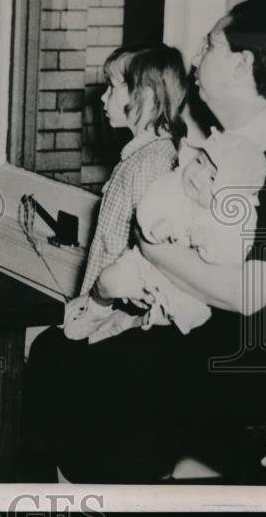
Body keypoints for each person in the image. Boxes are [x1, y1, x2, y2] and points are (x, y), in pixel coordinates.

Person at [22, 0, 266, 483]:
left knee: (99, 376)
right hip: (239, 331)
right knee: (56, 352)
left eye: (209, 45)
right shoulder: (237, 146)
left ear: (242, 63)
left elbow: (247, 293)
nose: (195, 58)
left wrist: (152, 250)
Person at [61, 44, 186, 342]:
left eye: (112, 87)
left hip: (118, 323)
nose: (103, 97)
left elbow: (149, 257)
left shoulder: (152, 162)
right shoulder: (137, 157)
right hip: (101, 312)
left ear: (145, 94)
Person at [93, 132, 266, 337]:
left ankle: (131, 323)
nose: (197, 175)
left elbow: (233, 252)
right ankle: (95, 312)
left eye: (212, 177)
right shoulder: (174, 185)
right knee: (108, 279)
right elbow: (149, 202)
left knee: (185, 315)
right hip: (145, 266)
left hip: (185, 288)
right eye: (199, 161)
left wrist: (208, 241)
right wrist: (154, 223)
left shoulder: (231, 221)